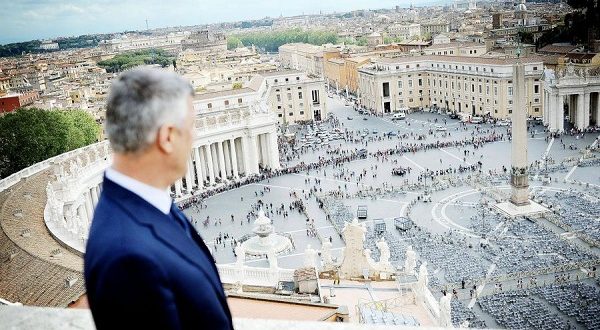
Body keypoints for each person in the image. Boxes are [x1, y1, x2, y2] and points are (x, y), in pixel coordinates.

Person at [84, 69, 233, 329]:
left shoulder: (144, 206)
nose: (195, 136)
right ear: (167, 138)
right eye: (191, 127)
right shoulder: (128, 260)